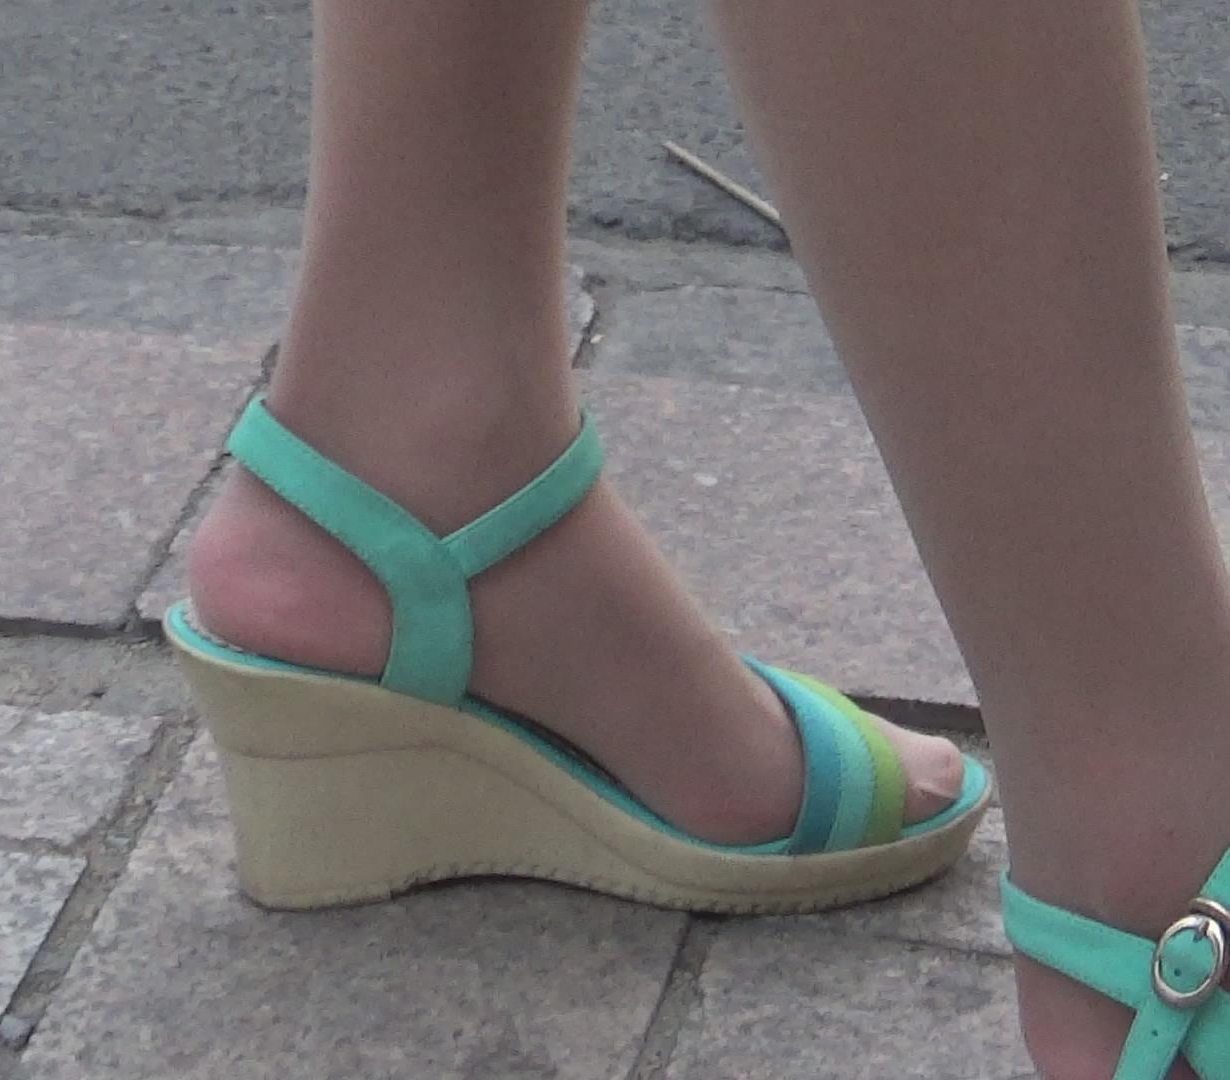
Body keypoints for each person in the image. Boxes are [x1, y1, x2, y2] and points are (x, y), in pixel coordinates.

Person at [161, 2, 1229, 1078]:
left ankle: (410, 416)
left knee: (415, 410)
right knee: (1141, 766)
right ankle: (1148, 824)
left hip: (420, 512)